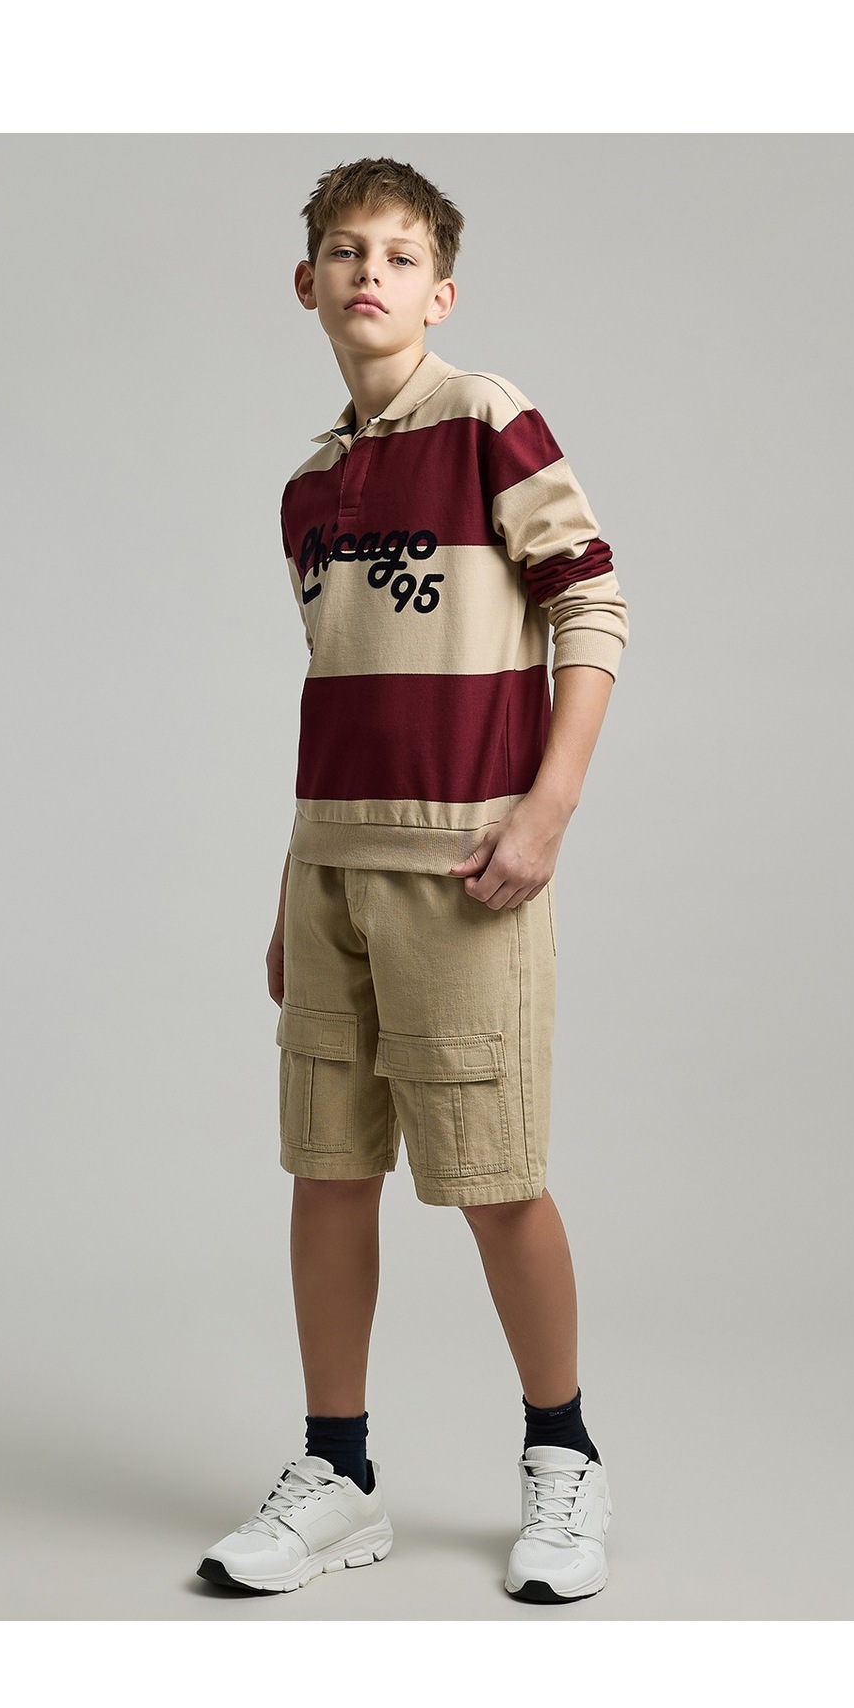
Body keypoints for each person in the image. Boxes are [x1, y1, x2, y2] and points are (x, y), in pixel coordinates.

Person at [196, 156, 629, 1604]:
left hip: (465, 871)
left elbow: (593, 606)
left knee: (496, 1182)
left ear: (439, 292)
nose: (366, 273)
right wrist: (290, 886)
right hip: (332, 868)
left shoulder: (488, 419)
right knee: (327, 1173)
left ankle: (565, 1457)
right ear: (306, 284)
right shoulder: (307, 488)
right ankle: (339, 1476)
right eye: (343, 250)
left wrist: (547, 812)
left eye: (396, 255)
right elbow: (338, 690)